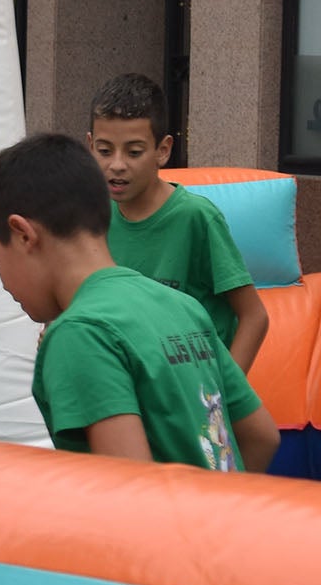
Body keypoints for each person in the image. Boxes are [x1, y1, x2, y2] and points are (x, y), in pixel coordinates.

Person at [0, 133, 278, 471]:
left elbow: (130, 488)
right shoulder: (183, 306)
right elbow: (262, 436)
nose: (1, 279)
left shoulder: (80, 333)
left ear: (23, 234)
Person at [88, 72, 269, 375]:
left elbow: (254, 316)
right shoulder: (92, 215)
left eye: (134, 152)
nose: (117, 164)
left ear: (163, 150)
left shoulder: (196, 218)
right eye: (105, 151)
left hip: (192, 397)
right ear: (90, 145)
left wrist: (227, 394)